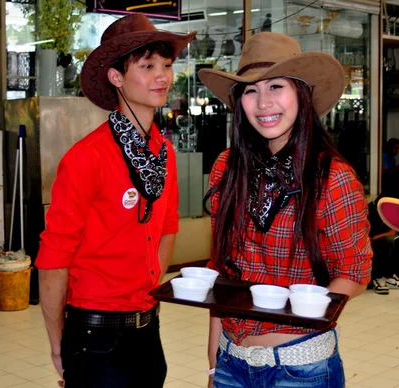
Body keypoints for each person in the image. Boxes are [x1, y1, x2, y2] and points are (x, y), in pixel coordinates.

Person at [198, 32, 373, 388]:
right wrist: (214, 355)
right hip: (232, 361)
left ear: (301, 94)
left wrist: (302, 307)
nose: (263, 103)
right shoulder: (227, 167)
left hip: (300, 366)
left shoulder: (332, 177)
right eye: (250, 90)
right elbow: (222, 267)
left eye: (275, 86)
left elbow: (355, 272)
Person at [35, 14, 195, 388]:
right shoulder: (86, 157)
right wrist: (59, 341)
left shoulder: (164, 154)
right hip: (94, 335)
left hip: (147, 326)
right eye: (148, 66)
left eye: (167, 65)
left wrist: (145, 285)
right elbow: (54, 258)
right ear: (116, 77)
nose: (163, 76)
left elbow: (168, 226)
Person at [367, 188, 399, 295]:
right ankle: (378, 277)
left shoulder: (391, 212)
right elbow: (368, 238)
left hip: (389, 241)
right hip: (371, 245)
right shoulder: (369, 211)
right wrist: (389, 233)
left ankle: (391, 275)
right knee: (387, 240)